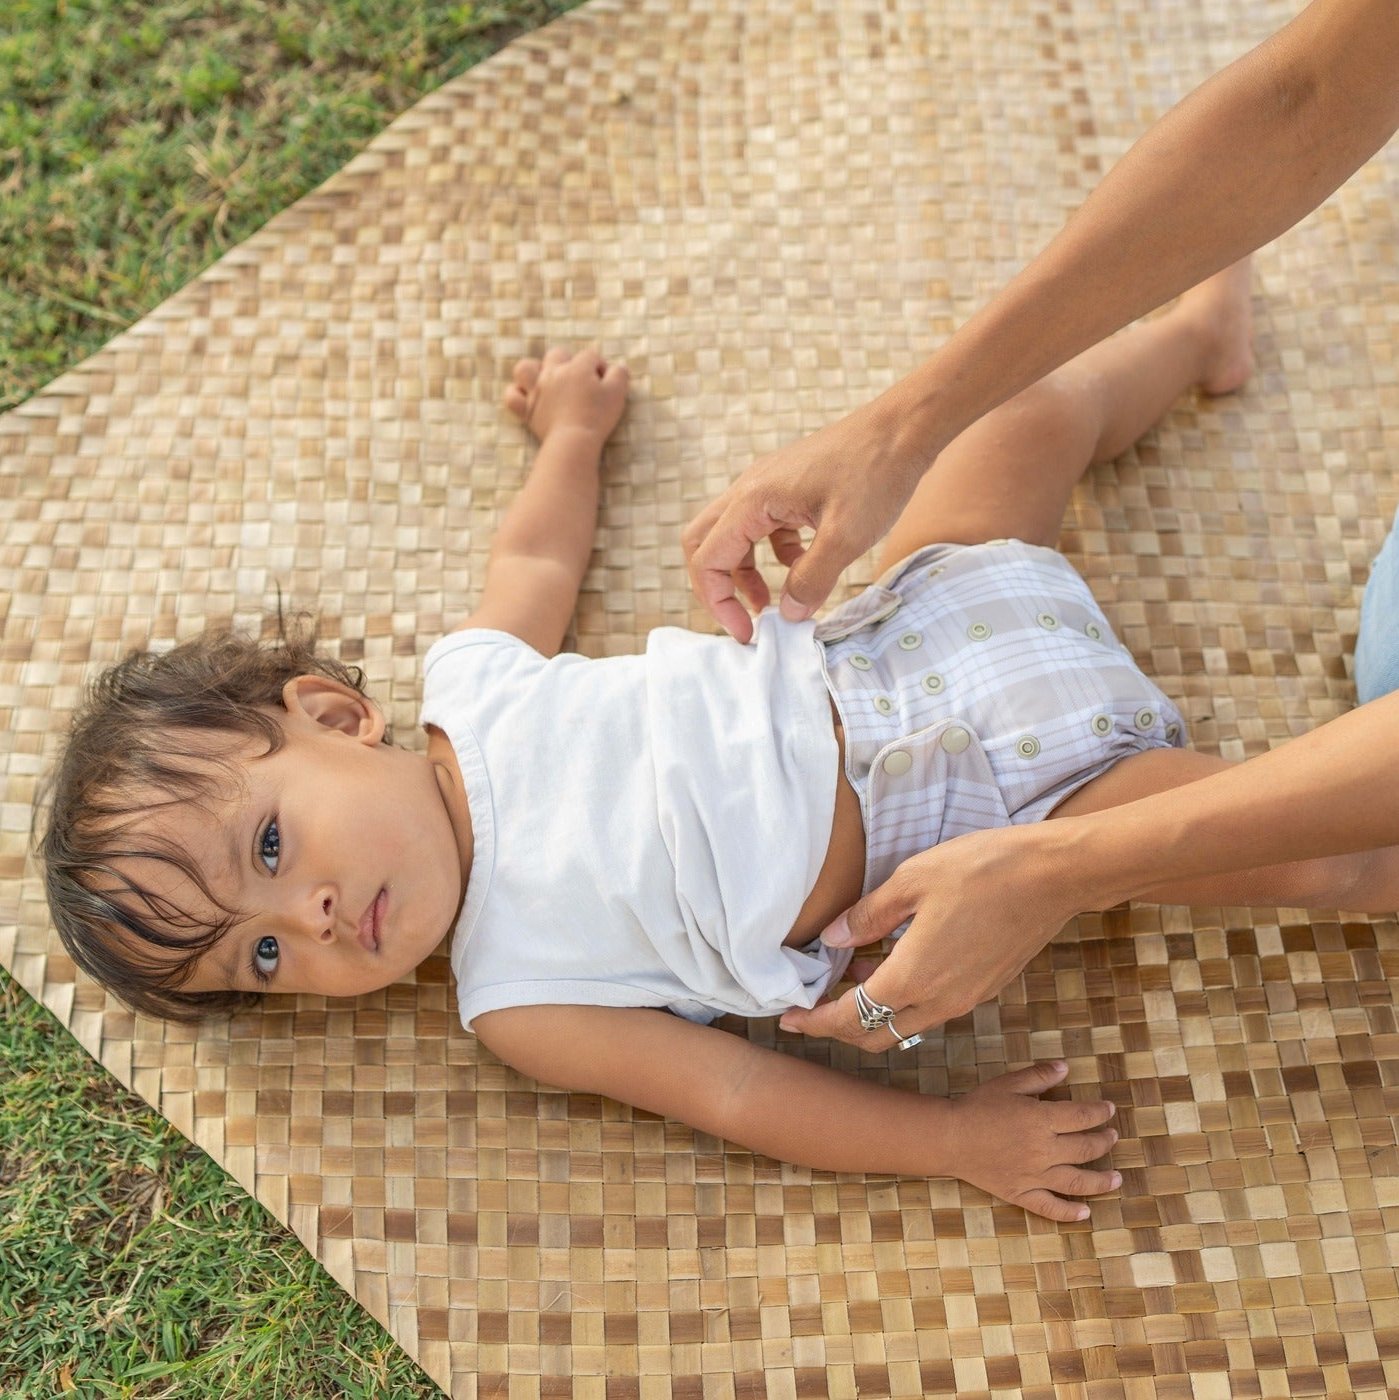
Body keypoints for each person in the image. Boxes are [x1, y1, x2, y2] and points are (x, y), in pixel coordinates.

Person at [36, 294, 1399, 1225]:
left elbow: (533, 556)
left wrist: (572, 436)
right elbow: (736, 1091)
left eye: (269, 851)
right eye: (263, 959)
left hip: (891, 625)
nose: (312, 919)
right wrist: (949, 1145)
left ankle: (1187, 335)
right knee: (1320, 849)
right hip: (999, 816)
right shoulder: (520, 999)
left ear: (335, 717)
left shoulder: (474, 686)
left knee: (1022, 425)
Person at [682, 0, 1399, 1050]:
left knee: (1335, 847)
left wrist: (1065, 864)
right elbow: (1306, 94)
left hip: (1027, 795)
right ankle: (1200, 332)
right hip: (907, 634)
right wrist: (900, 428)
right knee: (1023, 418)